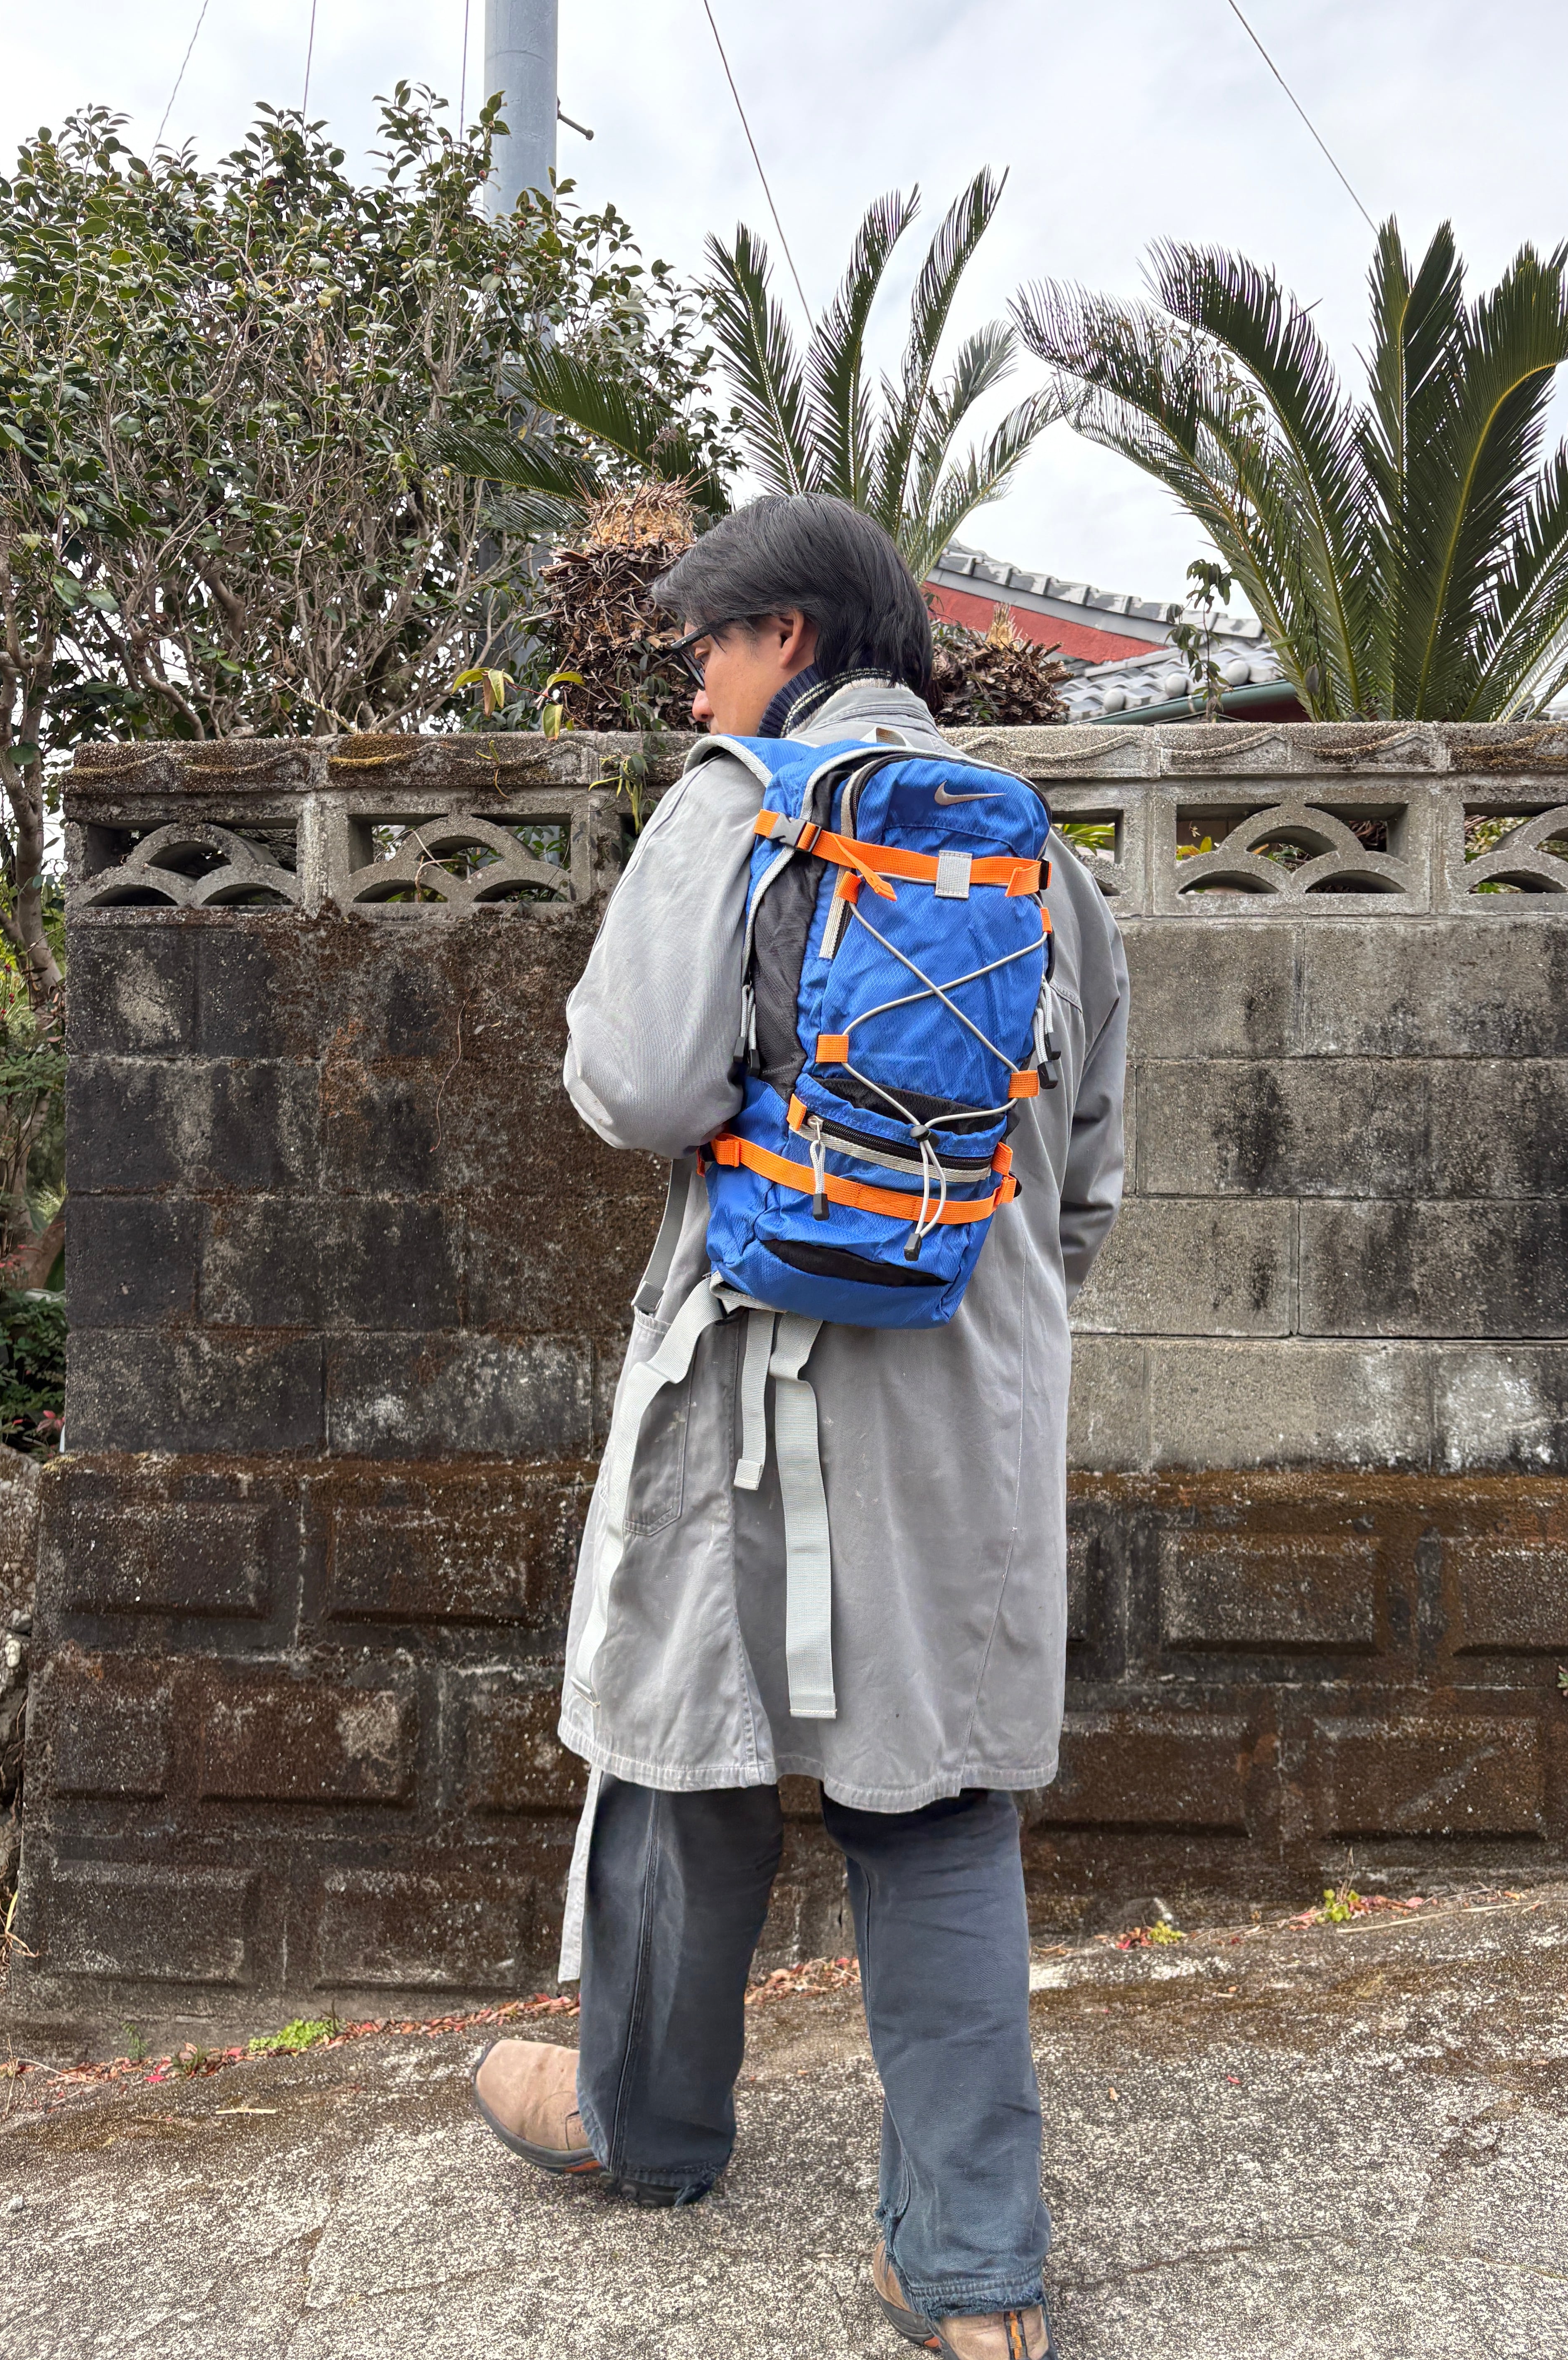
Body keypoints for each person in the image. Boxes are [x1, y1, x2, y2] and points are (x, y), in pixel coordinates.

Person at [470, 494, 1128, 2360]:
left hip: (751, 1365)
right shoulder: (1036, 854)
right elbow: (1086, 1179)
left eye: (710, 646)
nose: (695, 686)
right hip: (965, 1396)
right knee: (938, 1805)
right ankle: (974, 2279)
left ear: (795, 640)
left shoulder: (736, 807)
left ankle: (642, 2126)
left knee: (681, 1756)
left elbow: (636, 1085)